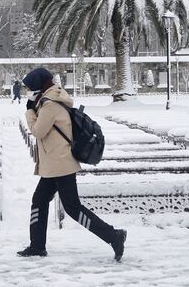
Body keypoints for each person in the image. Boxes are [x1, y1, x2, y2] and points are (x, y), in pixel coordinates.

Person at [18, 67, 126, 261]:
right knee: (40, 201)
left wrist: (29, 112)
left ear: (38, 86)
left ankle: (113, 236)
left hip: (60, 164)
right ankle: (37, 246)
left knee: (72, 208)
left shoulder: (49, 104)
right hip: (55, 163)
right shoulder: (51, 99)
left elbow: (38, 131)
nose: (28, 91)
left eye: (30, 87)